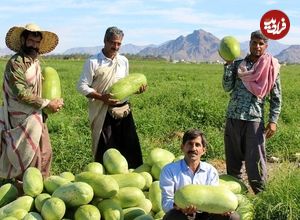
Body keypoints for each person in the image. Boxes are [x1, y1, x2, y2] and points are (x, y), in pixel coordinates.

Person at [0, 23, 64, 180]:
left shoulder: (35, 62)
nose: (34, 46)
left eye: (37, 42)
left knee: (44, 152)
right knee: (26, 156)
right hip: (21, 118)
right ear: (23, 40)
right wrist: (47, 103)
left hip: (36, 115)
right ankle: (23, 192)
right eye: (31, 41)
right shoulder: (16, 63)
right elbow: (21, 92)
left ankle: (40, 188)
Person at [221, 30, 282, 194]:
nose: (257, 46)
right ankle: (236, 198)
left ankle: (262, 196)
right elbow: (227, 87)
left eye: (261, 43)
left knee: (255, 162)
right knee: (233, 162)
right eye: (254, 42)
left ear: (266, 46)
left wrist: (273, 120)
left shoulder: (270, 67)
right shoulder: (238, 65)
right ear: (249, 44)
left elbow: (276, 98)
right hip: (233, 117)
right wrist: (228, 64)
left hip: (254, 120)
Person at [77, 26, 146, 169]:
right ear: (105, 41)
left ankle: (132, 178)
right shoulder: (93, 62)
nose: (115, 47)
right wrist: (102, 97)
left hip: (124, 110)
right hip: (103, 111)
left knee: (130, 147)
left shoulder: (124, 61)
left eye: (119, 44)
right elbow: (82, 86)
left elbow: (126, 84)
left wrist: (136, 90)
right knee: (105, 149)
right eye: (112, 43)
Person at [160, 129, 240, 220]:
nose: (193, 148)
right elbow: (166, 203)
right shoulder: (169, 170)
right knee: (172, 216)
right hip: (182, 215)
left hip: (206, 215)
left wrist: (224, 210)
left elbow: (215, 198)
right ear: (182, 147)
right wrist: (179, 207)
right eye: (190, 144)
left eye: (197, 145)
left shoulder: (210, 171)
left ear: (203, 150)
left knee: (233, 217)